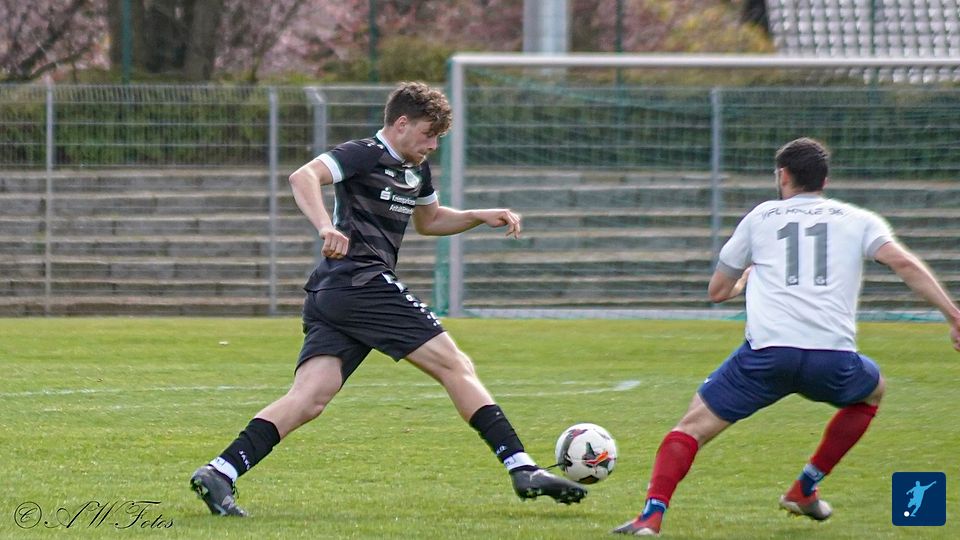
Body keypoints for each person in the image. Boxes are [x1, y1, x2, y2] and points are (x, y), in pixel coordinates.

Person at [188, 81, 587, 516]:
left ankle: (220, 472)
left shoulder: (416, 169)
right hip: (361, 282)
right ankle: (521, 466)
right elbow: (303, 176)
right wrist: (325, 227)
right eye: (428, 134)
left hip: (338, 293)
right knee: (454, 364)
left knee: (310, 398)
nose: (432, 145)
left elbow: (429, 221)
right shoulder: (364, 153)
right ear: (401, 124)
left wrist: (475, 215)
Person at [613, 137, 960, 536]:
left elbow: (717, 292)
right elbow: (903, 263)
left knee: (690, 429)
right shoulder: (859, 219)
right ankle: (805, 487)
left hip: (767, 357)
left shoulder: (761, 217)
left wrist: (744, 281)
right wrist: (953, 315)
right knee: (873, 390)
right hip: (832, 358)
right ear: (824, 180)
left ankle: (651, 516)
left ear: (782, 176)